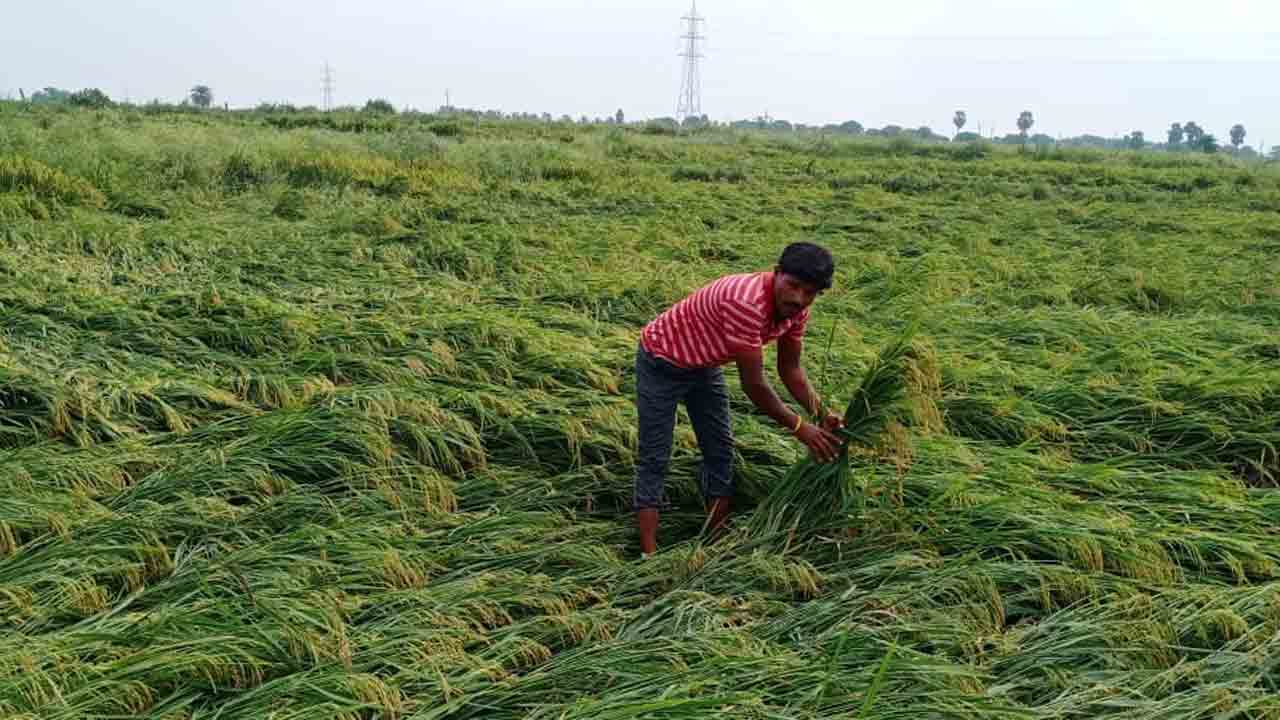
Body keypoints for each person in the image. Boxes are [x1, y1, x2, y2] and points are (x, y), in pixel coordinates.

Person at [633, 242, 844, 556]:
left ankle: (714, 542)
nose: (799, 298)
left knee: (720, 451)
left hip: (705, 364)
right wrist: (799, 426)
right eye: (793, 286)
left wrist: (821, 412)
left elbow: (790, 369)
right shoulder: (747, 302)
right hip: (662, 360)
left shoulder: (796, 310)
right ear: (776, 274)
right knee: (655, 457)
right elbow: (754, 385)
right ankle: (648, 556)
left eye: (810, 292)